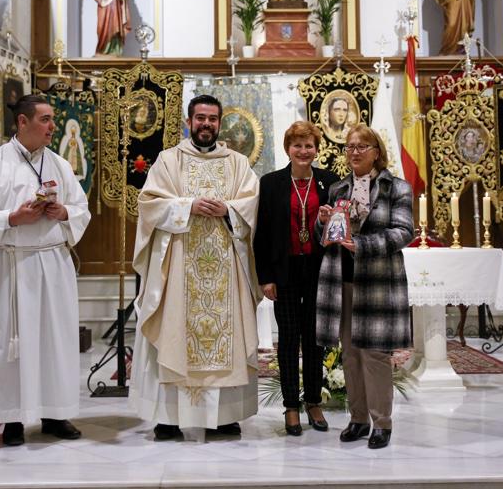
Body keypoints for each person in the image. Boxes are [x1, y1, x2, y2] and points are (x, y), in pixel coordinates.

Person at [0, 94, 91, 447]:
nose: (53, 127)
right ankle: (12, 420)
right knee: (9, 346)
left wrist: (64, 213)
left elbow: (82, 207)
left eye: (52, 120)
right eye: (46, 120)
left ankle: (55, 413)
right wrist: (10, 219)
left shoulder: (60, 165)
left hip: (52, 262)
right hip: (11, 265)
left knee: (54, 341)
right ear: (22, 122)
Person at [130, 94, 261, 440]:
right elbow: (149, 203)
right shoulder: (168, 160)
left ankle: (224, 417)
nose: (206, 124)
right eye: (200, 118)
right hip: (178, 267)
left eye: (212, 119)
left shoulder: (237, 163)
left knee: (225, 339)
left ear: (220, 123)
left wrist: (229, 211)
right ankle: (170, 418)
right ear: (189, 121)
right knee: (174, 335)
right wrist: (187, 206)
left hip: (225, 268)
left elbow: (251, 204)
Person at [315, 124, 413, 450]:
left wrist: (362, 245)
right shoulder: (338, 189)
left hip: (377, 283)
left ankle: (381, 423)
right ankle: (357, 419)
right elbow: (327, 240)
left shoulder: (396, 188)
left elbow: (403, 233)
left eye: (362, 146)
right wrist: (322, 221)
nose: (354, 152)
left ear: (376, 152)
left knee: (374, 355)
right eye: (350, 146)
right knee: (351, 356)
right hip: (342, 281)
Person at [253, 121, 338, 436]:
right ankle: (290, 406)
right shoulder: (272, 183)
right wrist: (266, 277)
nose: (304, 151)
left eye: (309, 145)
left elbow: (340, 228)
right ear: (288, 148)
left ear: (317, 149)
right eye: (298, 145)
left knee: (315, 341)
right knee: (288, 339)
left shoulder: (330, 182)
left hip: (319, 270)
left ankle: (313, 402)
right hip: (285, 271)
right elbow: (262, 234)